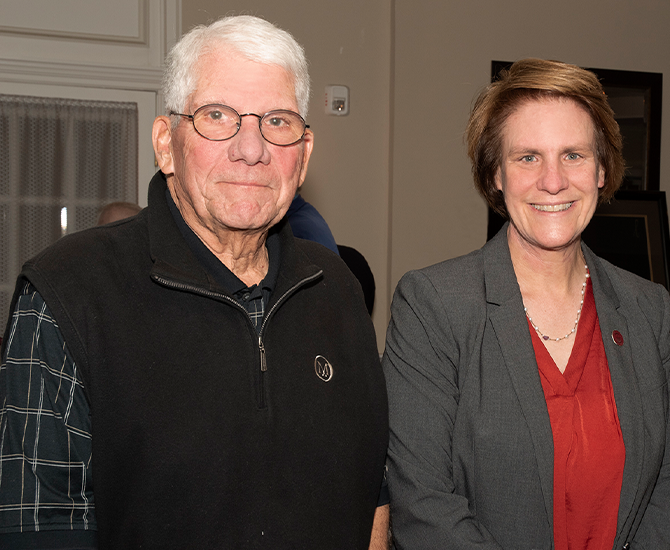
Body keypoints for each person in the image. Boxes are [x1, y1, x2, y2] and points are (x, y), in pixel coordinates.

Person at [0, 15, 388, 549]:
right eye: (217, 116)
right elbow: (39, 528)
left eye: (277, 122)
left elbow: (374, 493)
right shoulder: (66, 292)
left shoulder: (337, 288)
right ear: (166, 143)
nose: (250, 148)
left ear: (303, 155)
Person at [383, 58, 670, 549]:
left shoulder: (647, 309)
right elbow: (420, 500)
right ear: (496, 174)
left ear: (602, 170)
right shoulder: (434, 307)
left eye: (573, 155)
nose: (553, 181)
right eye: (527, 157)